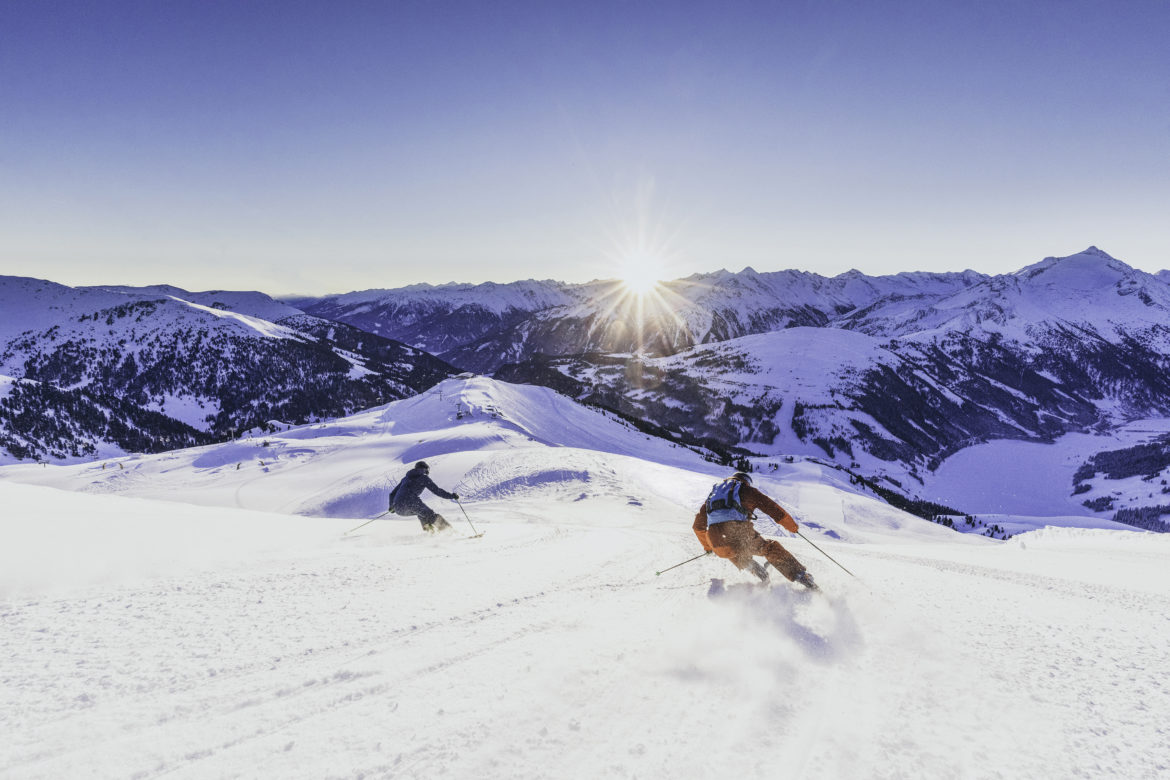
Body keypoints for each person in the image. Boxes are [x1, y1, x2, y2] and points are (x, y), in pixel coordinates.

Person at [693, 471, 817, 590]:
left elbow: (697, 526)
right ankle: (801, 576)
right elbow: (772, 508)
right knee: (770, 548)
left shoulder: (712, 497)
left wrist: (708, 548)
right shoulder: (746, 490)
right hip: (738, 534)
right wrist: (792, 527)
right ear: (746, 481)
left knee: (731, 550)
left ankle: (756, 570)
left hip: (715, 541)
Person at [389, 461, 459, 533]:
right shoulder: (423, 478)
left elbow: (392, 494)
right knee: (430, 515)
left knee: (422, 514)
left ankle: (431, 533)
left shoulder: (405, 479)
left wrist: (391, 506)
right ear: (425, 469)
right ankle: (450, 532)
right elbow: (437, 491)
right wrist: (451, 496)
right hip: (411, 501)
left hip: (398, 508)